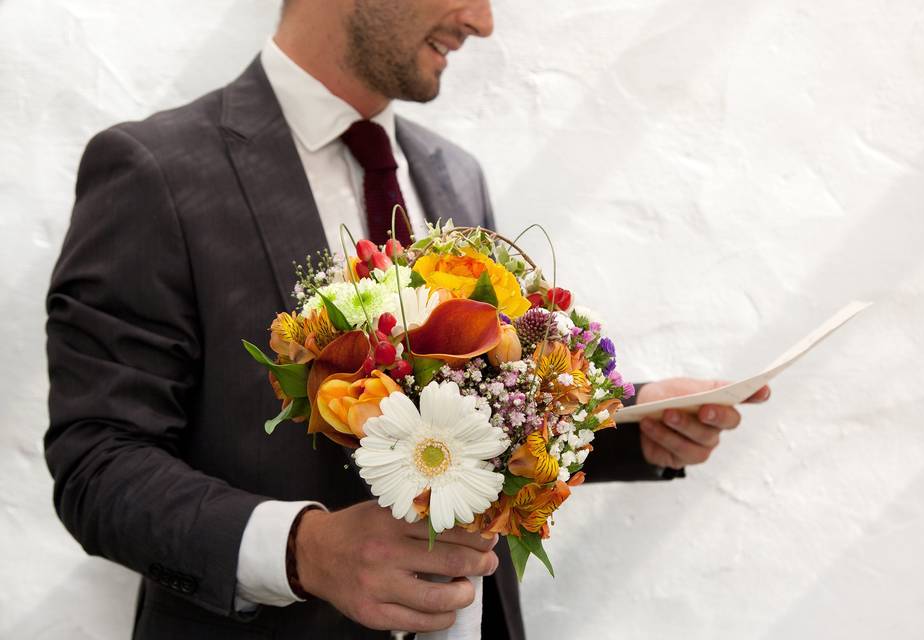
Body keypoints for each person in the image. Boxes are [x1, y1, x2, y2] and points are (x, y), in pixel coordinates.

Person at [44, 1, 770, 638]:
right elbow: (97, 463)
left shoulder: (452, 174)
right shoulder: (153, 168)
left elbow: (478, 417)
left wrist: (630, 422)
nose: (483, 21)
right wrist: (302, 549)